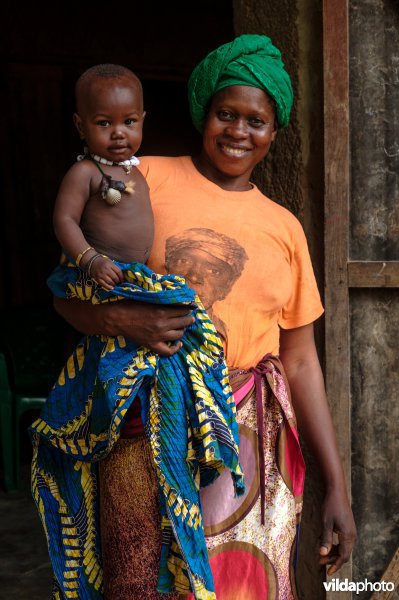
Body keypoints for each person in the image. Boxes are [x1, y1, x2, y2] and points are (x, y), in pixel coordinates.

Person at [53, 35, 356, 600]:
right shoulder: (142, 179)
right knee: (141, 579)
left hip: (251, 442)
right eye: (226, 114)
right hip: (146, 420)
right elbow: (68, 298)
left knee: (244, 585)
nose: (238, 132)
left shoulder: (285, 228)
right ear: (204, 113)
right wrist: (126, 321)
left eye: (256, 121)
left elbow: (301, 362)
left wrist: (337, 486)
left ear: (274, 130)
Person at [30, 64, 245, 600]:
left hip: (137, 281)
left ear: (144, 121)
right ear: (81, 126)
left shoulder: (138, 172)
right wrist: (87, 258)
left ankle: (201, 422)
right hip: (100, 279)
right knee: (124, 354)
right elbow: (63, 221)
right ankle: (117, 410)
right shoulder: (84, 174)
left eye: (129, 122)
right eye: (105, 123)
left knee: (193, 328)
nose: (119, 133)